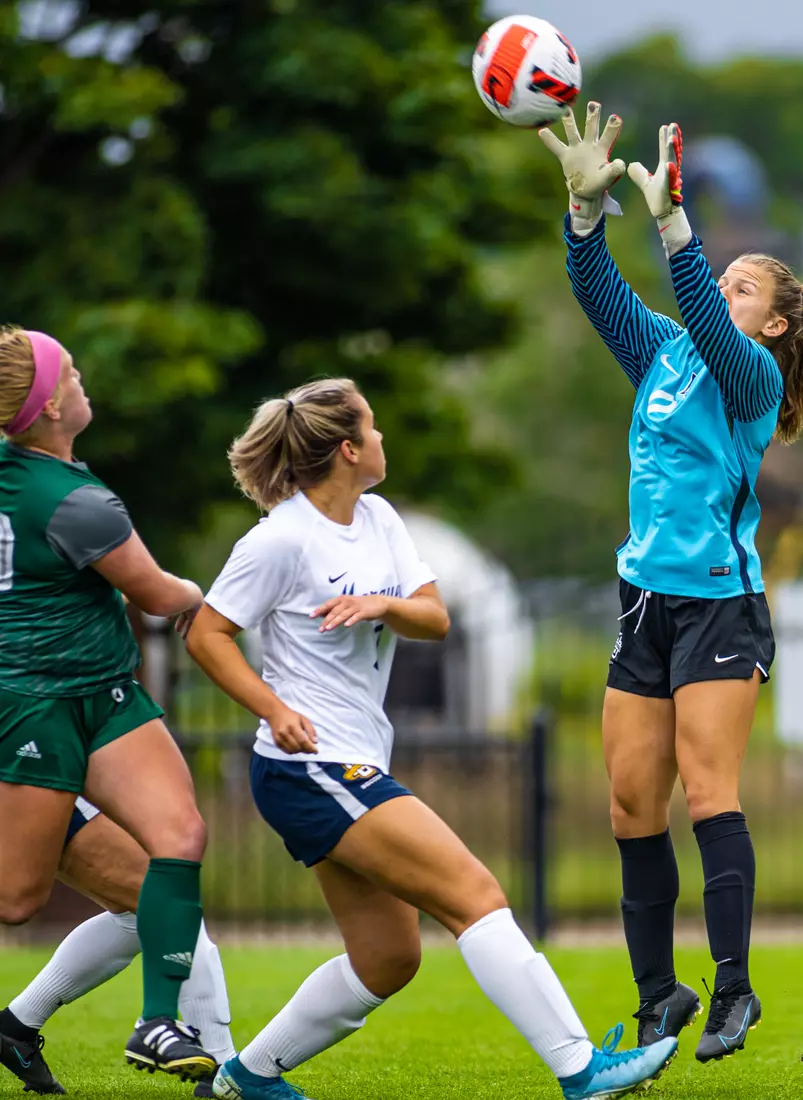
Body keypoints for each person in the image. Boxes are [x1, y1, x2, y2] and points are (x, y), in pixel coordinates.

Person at [185, 379, 677, 1100]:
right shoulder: (281, 537)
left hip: (349, 760)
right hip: (309, 766)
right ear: (349, 449)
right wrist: (273, 708)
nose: (384, 440)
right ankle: (581, 1068)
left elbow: (435, 618)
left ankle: (247, 1077)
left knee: (387, 958)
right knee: (473, 891)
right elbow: (206, 632)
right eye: (374, 430)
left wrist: (382, 603)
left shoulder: (379, 517)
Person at [538, 105, 803, 1061]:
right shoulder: (662, 354)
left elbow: (701, 311)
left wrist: (674, 229)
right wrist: (586, 215)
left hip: (719, 603)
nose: (724, 289)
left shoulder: (747, 376)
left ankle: (734, 991)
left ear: (773, 323)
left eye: (744, 286)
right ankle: (659, 993)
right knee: (630, 804)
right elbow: (601, 295)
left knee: (709, 792)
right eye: (724, 279)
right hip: (645, 602)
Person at [0, 327, 218, 1082]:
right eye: (74, 376)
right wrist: (207, 597)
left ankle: (159, 1024)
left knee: (179, 836)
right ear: (51, 404)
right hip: (33, 706)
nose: (84, 384)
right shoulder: (77, 501)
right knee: (17, 899)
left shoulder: (37, 476)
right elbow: (158, 594)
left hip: (107, 694)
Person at [0, 798, 236, 1096]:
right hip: (33, 773)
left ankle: (16, 1026)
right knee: (167, 897)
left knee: (139, 913)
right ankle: (221, 1067)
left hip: (36, 773)